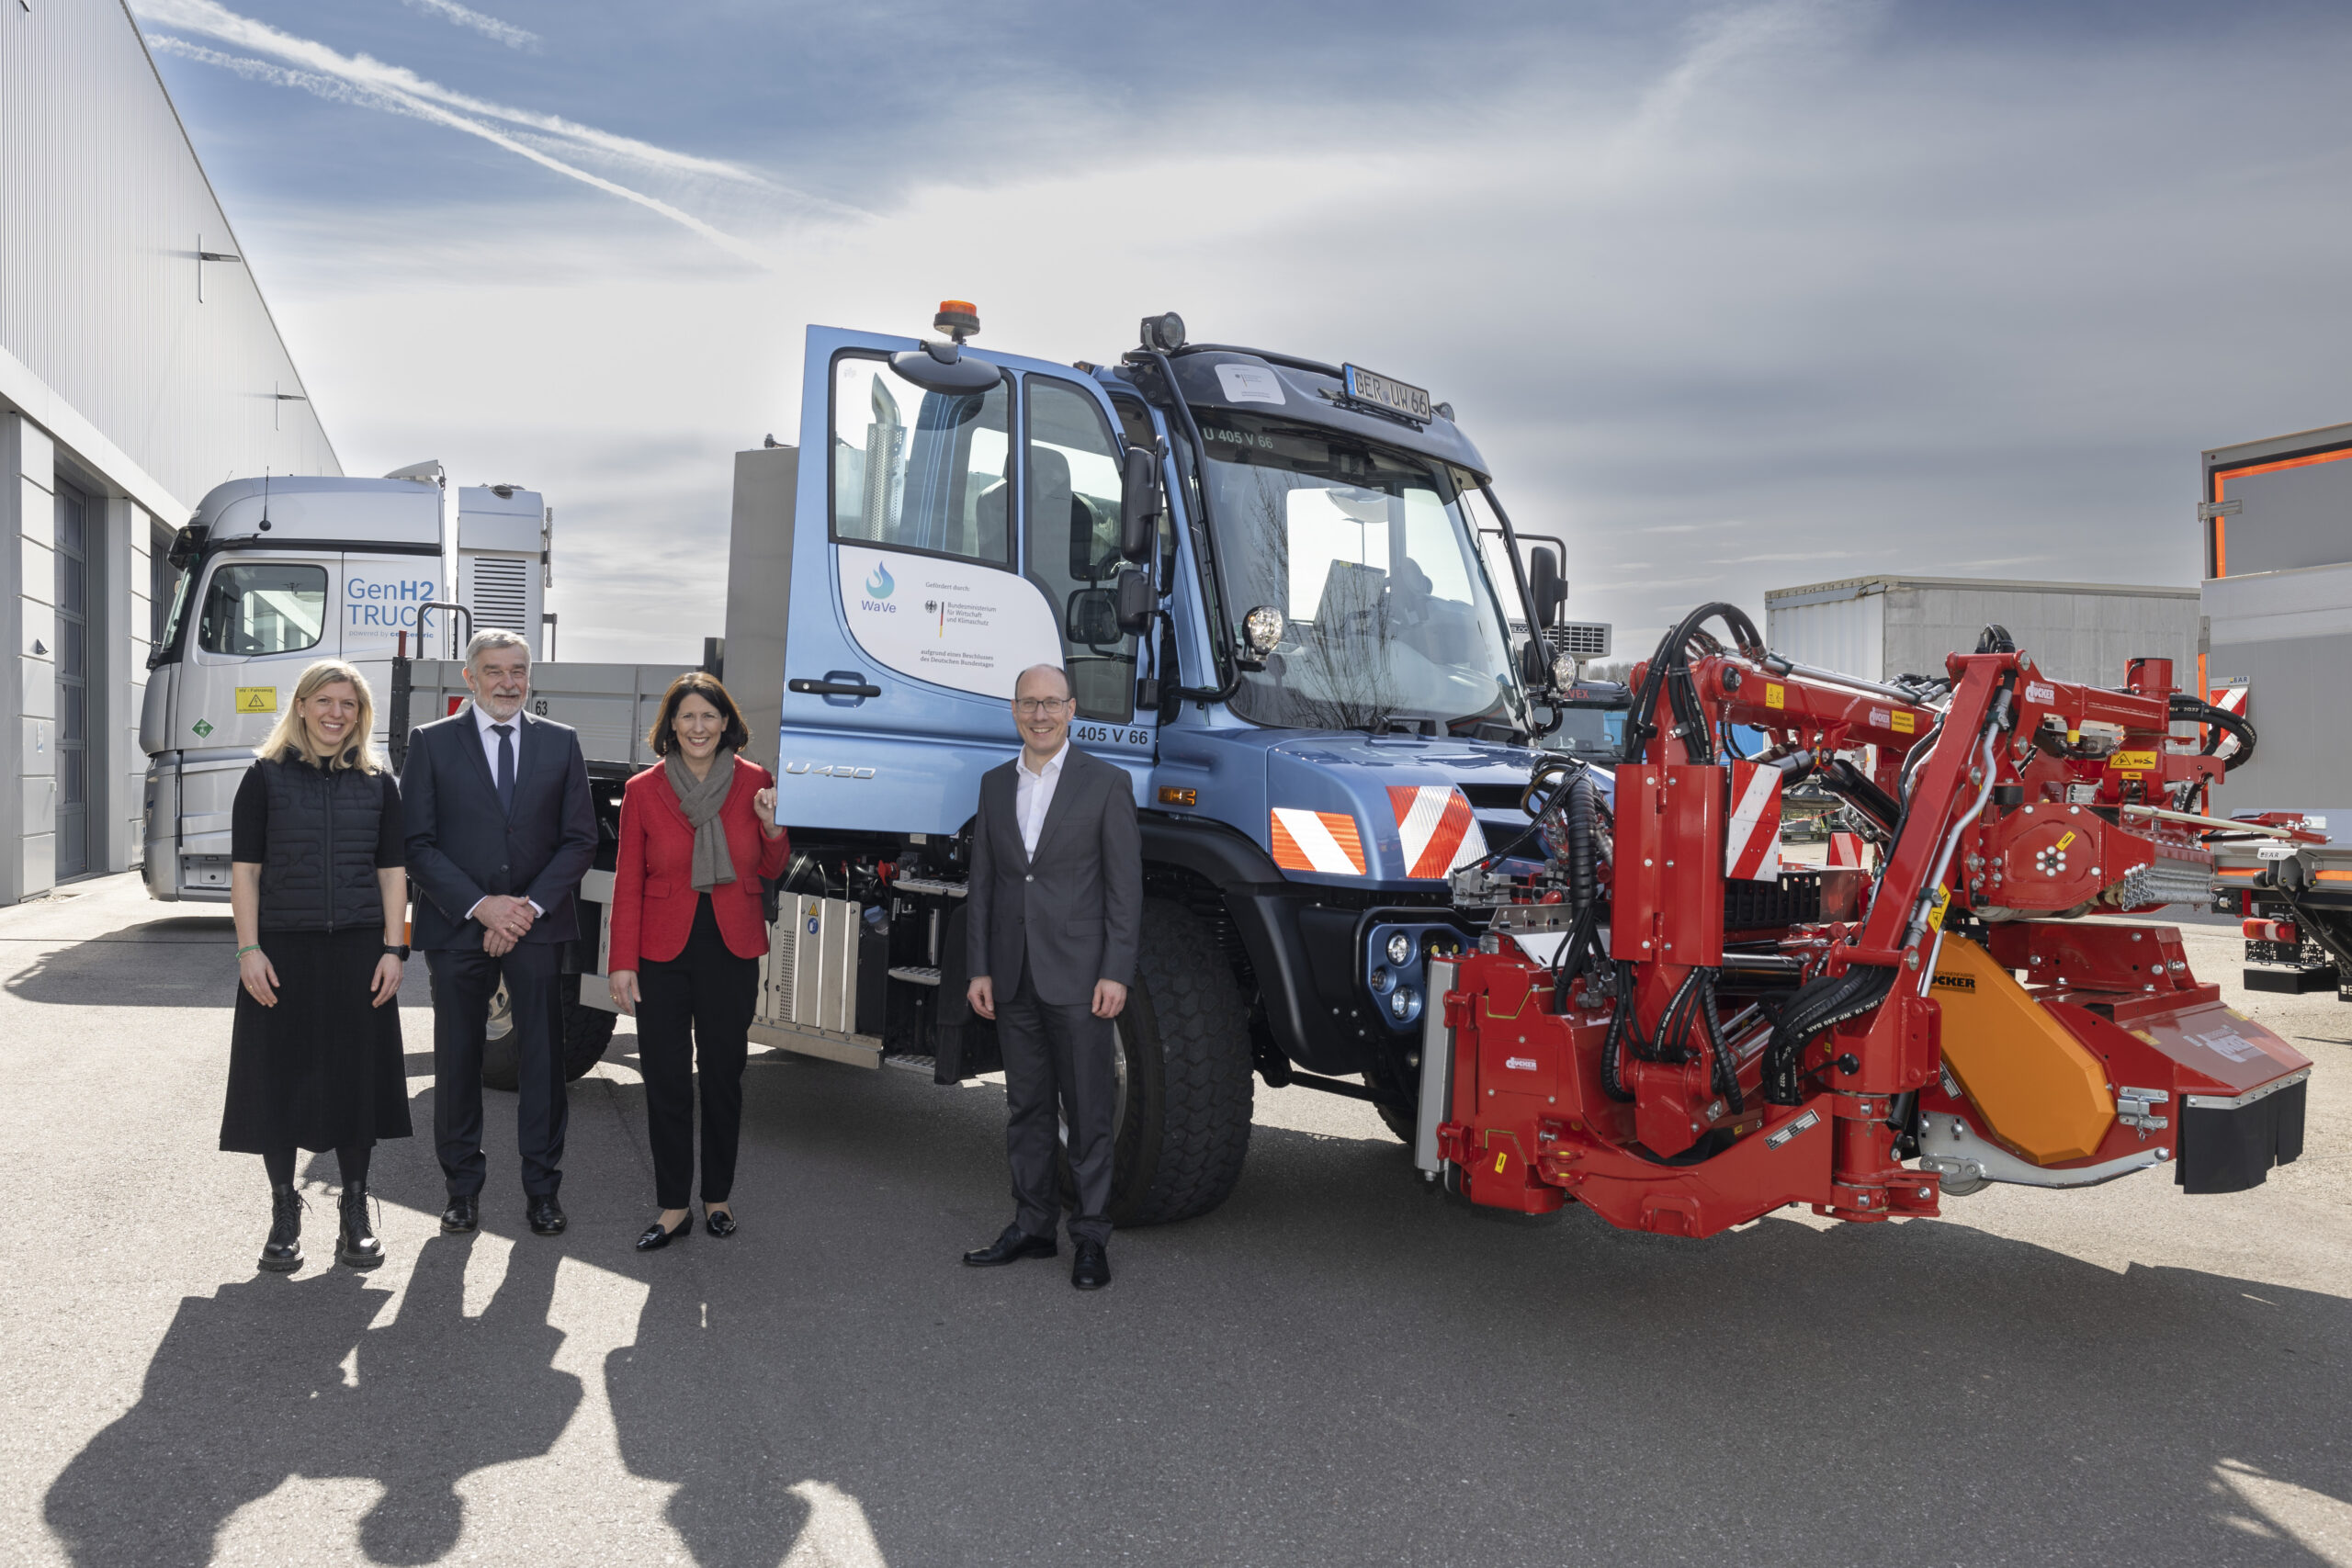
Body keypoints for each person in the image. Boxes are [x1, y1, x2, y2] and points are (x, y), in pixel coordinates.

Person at [401, 628, 596, 1238]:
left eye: (518, 669)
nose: (508, 681)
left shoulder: (562, 744)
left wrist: (525, 909)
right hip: (458, 927)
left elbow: (580, 839)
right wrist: (482, 906)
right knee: (459, 1063)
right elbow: (416, 844)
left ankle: (543, 1189)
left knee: (542, 1062)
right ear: (470, 677)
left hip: (536, 929)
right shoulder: (431, 744)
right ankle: (462, 1191)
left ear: (530, 677)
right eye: (494, 670)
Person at [221, 660, 413, 1273]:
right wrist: (249, 950)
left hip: (360, 951)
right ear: (300, 706)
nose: (337, 714)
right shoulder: (263, 777)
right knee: (279, 1080)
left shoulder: (379, 781)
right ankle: (284, 1210)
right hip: (282, 951)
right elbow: (245, 873)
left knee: (356, 1083)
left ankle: (354, 1213)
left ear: (362, 715)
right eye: (325, 701)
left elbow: (393, 873)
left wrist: (395, 947)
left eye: (349, 705)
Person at [961, 663, 1141, 1291]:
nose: (1039, 714)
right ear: (1014, 711)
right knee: (1026, 1107)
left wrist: (1116, 971)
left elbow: (1125, 891)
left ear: (1071, 711)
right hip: (1012, 977)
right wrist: (979, 967)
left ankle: (1090, 1236)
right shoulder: (991, 786)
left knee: (1089, 1112)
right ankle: (1034, 1225)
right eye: (1028, 703)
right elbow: (983, 884)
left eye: (1051, 703)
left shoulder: (1107, 784)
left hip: (1081, 979)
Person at [605, 673, 790, 1251]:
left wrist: (771, 825)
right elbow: (629, 881)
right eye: (687, 716)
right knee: (664, 1079)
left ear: (726, 722)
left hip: (730, 946)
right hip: (660, 949)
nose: (699, 727)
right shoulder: (643, 789)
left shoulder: (756, 782)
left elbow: (770, 867)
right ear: (671, 725)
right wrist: (621, 960)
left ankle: (718, 1199)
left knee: (722, 1076)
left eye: (709, 716)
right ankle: (672, 1207)